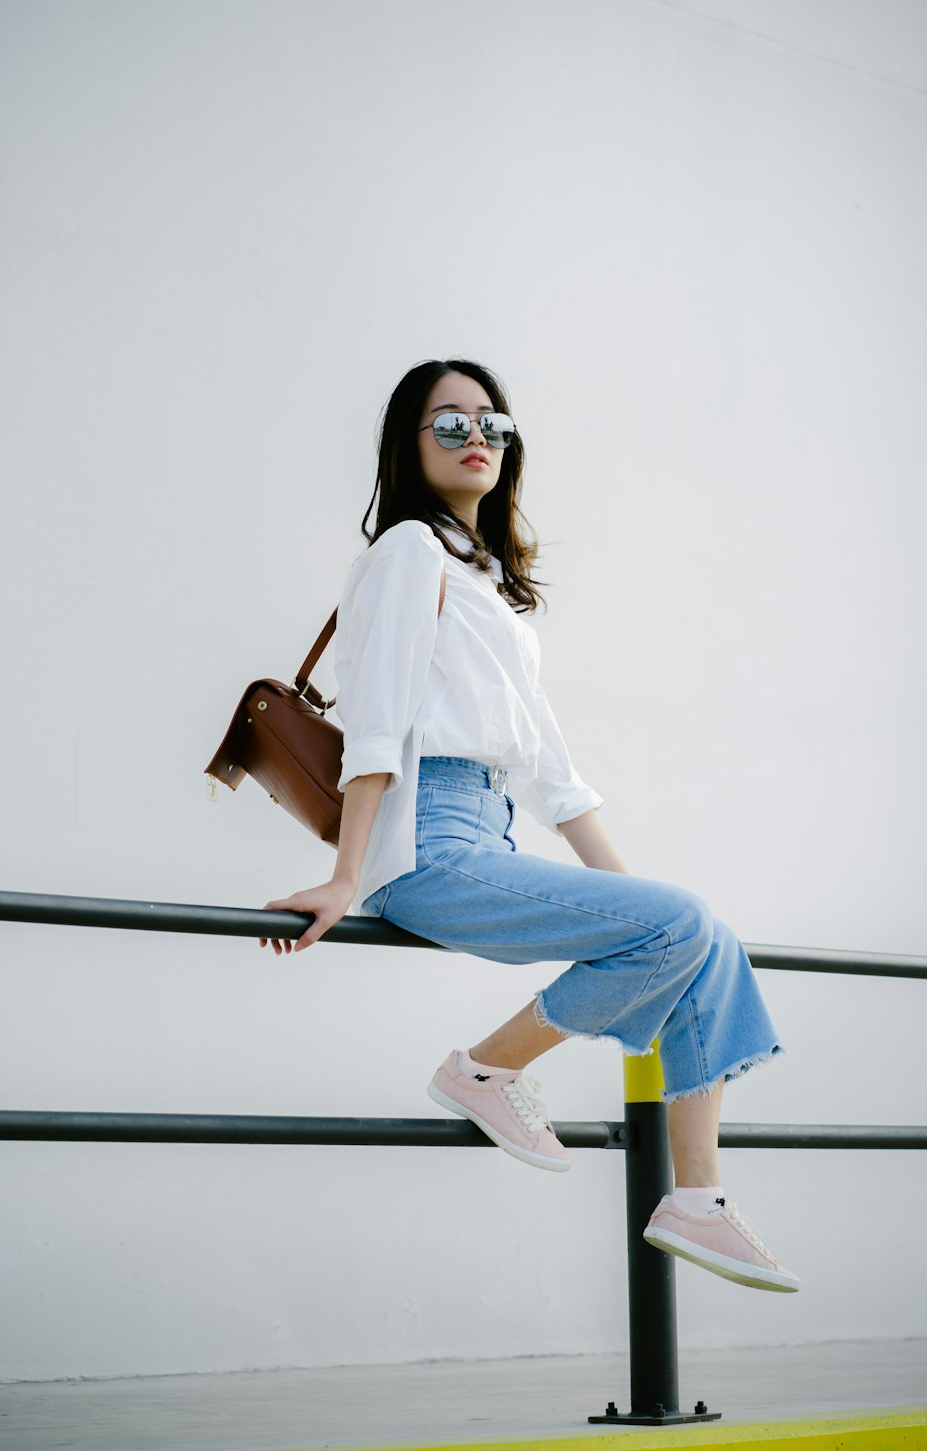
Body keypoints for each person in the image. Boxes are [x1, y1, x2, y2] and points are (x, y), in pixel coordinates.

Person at [259, 357, 799, 1294]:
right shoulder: (406, 555)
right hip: (426, 843)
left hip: (487, 833)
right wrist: (348, 878)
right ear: (408, 441)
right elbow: (378, 725)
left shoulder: (488, 583)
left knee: (698, 933)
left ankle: (697, 1201)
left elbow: (555, 774)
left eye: (494, 425)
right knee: (681, 925)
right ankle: (482, 1074)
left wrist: (642, 899)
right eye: (451, 423)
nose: (478, 439)